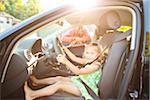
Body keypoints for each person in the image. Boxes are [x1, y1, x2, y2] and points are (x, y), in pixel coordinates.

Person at [24, 43, 104, 100]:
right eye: (87, 53)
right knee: (59, 78)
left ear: (98, 55)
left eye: (92, 53)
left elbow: (78, 71)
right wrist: (63, 48)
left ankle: (32, 95)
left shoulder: (96, 66)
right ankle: (37, 82)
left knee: (59, 84)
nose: (89, 55)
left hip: (85, 90)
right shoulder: (88, 61)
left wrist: (65, 61)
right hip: (81, 82)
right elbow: (74, 58)